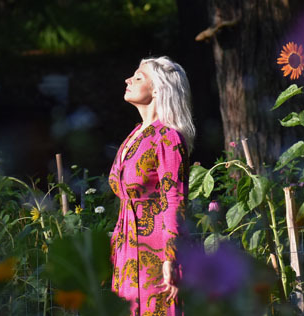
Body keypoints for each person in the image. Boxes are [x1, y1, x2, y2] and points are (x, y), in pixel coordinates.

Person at [109, 56, 195, 316]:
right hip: (127, 253)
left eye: (138, 76)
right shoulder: (135, 135)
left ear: (158, 88)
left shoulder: (167, 137)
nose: (128, 80)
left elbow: (174, 199)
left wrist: (172, 256)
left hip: (157, 253)